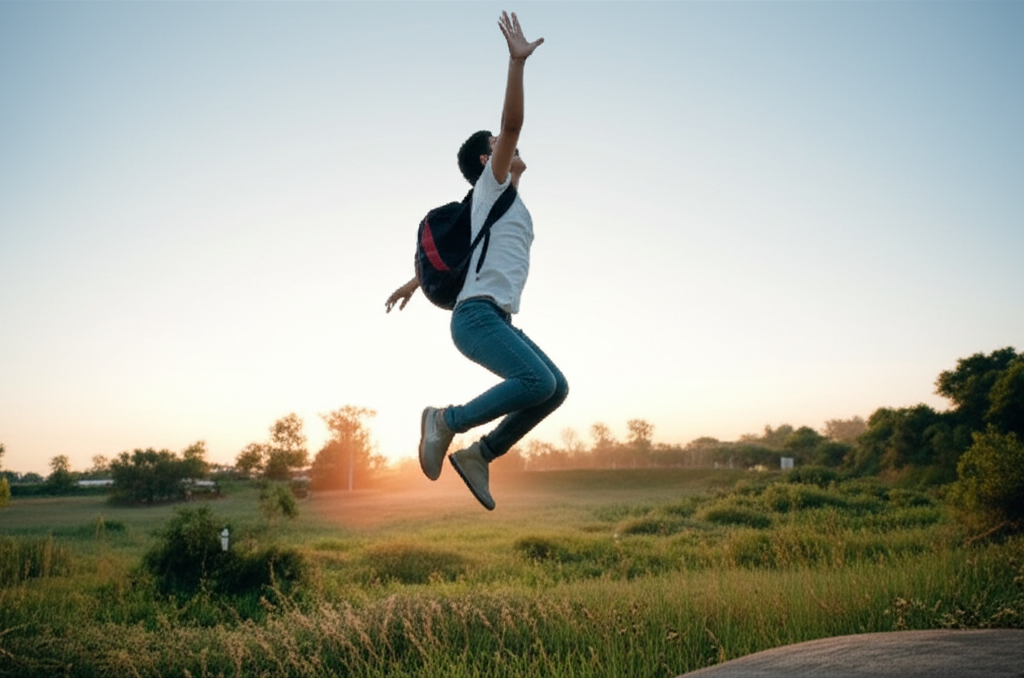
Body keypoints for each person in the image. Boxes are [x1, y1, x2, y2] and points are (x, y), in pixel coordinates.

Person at [385, 11, 567, 510]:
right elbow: (512, 122)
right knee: (537, 381)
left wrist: (413, 283)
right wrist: (516, 63)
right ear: (489, 161)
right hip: (477, 318)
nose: (510, 145)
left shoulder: (495, 205)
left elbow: (466, 254)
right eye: (499, 146)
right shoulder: (493, 185)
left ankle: (480, 456)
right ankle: (444, 421)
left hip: (494, 317)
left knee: (555, 389)